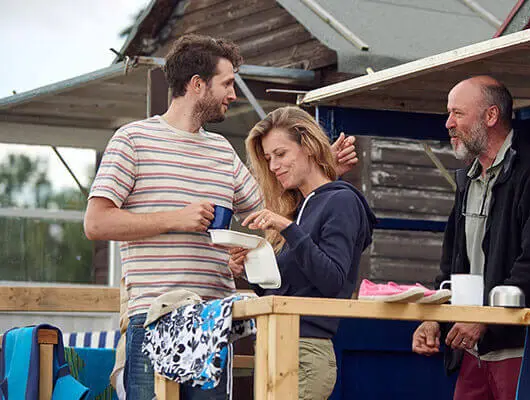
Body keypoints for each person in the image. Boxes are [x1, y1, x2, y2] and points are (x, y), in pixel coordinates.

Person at [83, 34, 357, 399]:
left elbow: (272, 217)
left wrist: (320, 173)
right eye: (227, 83)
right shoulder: (132, 141)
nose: (233, 94)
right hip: (152, 319)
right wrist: (176, 219)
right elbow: (96, 223)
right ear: (197, 85)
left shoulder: (222, 152)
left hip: (214, 324)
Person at [411, 76, 530, 400]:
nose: (448, 123)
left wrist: (486, 317)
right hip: (473, 347)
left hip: (524, 348)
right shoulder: (468, 181)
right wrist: (434, 318)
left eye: (457, 113)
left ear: (490, 116)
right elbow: (451, 265)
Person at [227, 106, 376, 400]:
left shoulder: (341, 201)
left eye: (280, 154)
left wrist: (287, 228)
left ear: (307, 146)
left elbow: (333, 279)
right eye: (268, 158)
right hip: (277, 347)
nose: (273, 166)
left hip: (305, 352)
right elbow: (288, 288)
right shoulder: (303, 208)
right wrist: (249, 269)